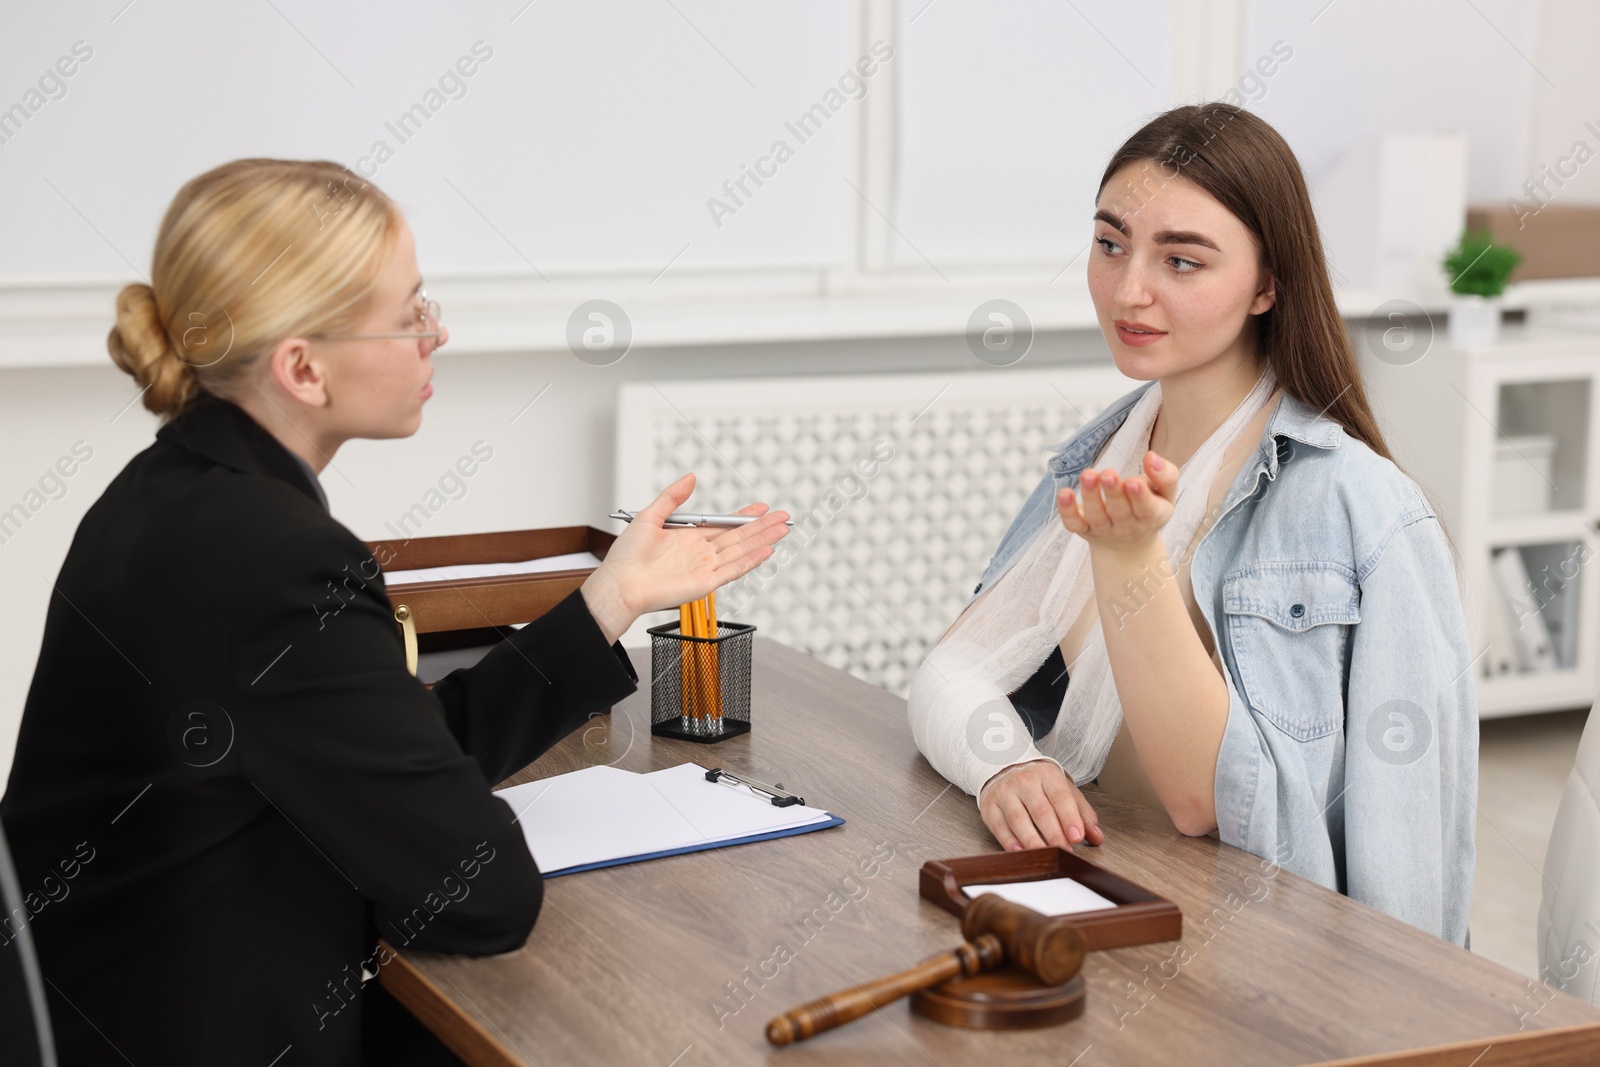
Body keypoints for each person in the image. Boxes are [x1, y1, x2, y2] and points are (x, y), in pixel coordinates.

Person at [0, 158, 790, 1066]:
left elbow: (397, 745)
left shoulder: (169, 494)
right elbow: (484, 893)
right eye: (410, 313)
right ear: (303, 367)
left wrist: (610, 597)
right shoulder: (273, 558)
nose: (437, 333)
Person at [907, 104, 1478, 946]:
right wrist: (1007, 762)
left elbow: (1214, 802)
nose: (1130, 289)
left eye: (1181, 259)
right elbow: (949, 672)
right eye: (1110, 245)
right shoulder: (1106, 449)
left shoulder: (1366, 510)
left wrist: (1129, 558)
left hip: (1259, 963)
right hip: (1106, 908)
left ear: (1268, 284)